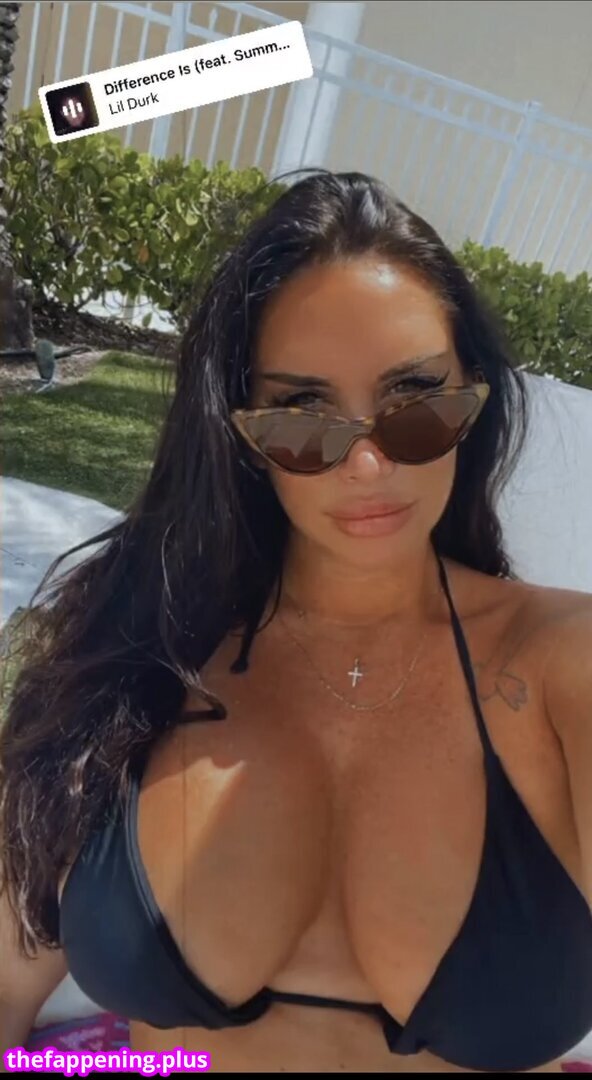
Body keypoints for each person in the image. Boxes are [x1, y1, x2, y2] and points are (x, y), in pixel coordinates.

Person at [1, 170, 592, 1074]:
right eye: (302, 417)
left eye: (414, 402)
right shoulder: (136, 647)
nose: (366, 464)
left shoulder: (560, 664)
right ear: (242, 435)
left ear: (473, 400)